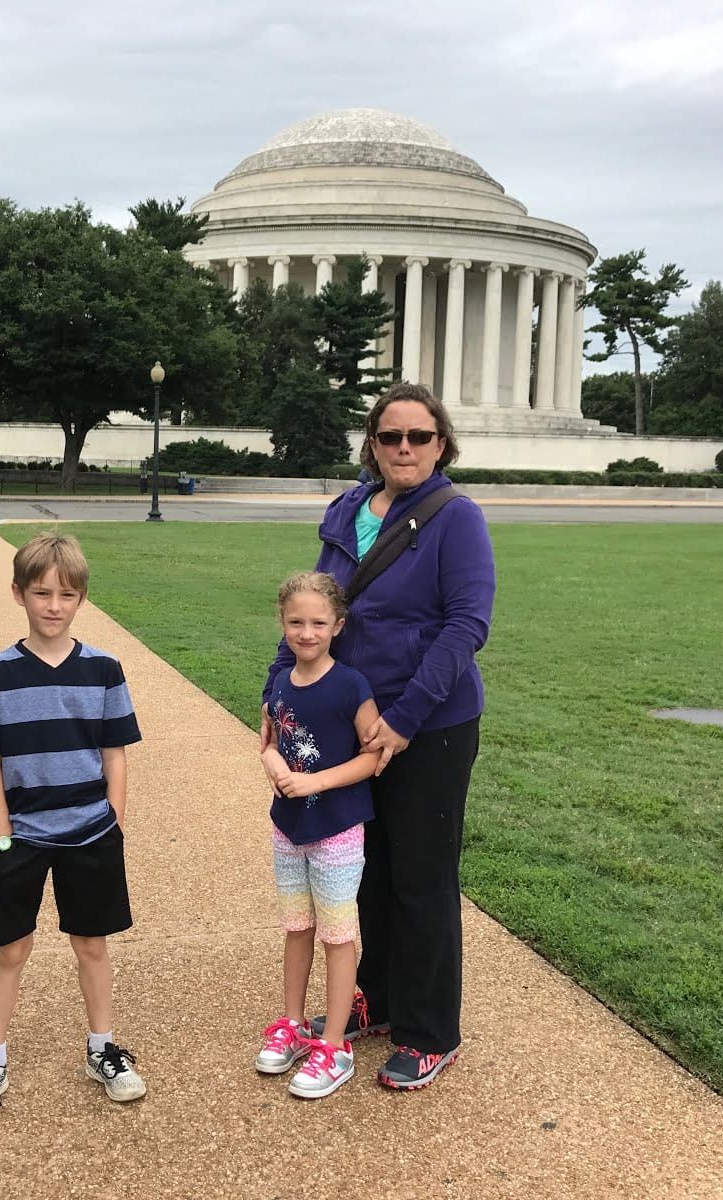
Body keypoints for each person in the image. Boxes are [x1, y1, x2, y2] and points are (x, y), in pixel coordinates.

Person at [265, 381, 495, 1092]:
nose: (404, 448)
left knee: (423, 878)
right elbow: (316, 608)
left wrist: (404, 720)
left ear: (441, 444)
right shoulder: (345, 509)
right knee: (372, 873)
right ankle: (383, 998)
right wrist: (276, 692)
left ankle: (430, 1030)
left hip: (430, 724)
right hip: (351, 725)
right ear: (372, 442)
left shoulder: (456, 518)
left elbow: (466, 626)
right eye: (390, 436)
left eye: (419, 437)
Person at [0, 532, 146, 1125]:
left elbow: (115, 750)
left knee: (92, 943)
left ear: (81, 598)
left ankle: (102, 1049)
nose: (53, 605)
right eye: (41, 593)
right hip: (23, 835)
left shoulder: (104, 669)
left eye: (66, 594)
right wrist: (1, 831)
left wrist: (115, 812)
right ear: (19, 595)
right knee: (11, 948)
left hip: (91, 829)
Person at [256, 572, 382, 1099]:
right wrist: (271, 764)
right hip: (289, 827)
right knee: (296, 927)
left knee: (336, 935)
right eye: (295, 622)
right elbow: (265, 738)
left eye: (317, 623)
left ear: (337, 625)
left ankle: (335, 1043)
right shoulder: (282, 681)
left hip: (335, 832)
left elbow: (374, 756)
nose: (306, 633)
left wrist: (314, 781)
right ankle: (294, 1024)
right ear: (282, 623)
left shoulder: (351, 685)